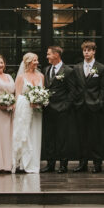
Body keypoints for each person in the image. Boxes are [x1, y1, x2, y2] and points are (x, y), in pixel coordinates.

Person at [72, 40, 104, 172]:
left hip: (95, 106)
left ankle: (97, 164)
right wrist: (76, 101)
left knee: (96, 136)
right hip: (80, 106)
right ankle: (82, 163)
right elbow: (75, 87)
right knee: (82, 136)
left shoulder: (101, 68)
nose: (86, 52)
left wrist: (100, 102)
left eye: (89, 50)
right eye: (84, 50)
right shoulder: (76, 68)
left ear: (94, 51)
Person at [41, 45, 74, 173]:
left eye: (49, 54)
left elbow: (72, 91)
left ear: (56, 55)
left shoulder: (68, 71)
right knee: (49, 138)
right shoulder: (46, 69)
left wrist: (65, 106)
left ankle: (63, 165)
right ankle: (50, 164)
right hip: (48, 109)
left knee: (62, 138)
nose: (47, 56)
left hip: (62, 110)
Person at [12, 52, 45, 173]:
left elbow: (43, 92)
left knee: (35, 134)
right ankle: (23, 163)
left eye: (37, 60)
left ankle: (34, 163)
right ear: (28, 62)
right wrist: (29, 101)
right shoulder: (21, 77)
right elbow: (18, 95)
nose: (37, 62)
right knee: (25, 134)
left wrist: (40, 100)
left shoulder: (41, 76)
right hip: (25, 109)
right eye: (34, 60)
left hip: (37, 110)